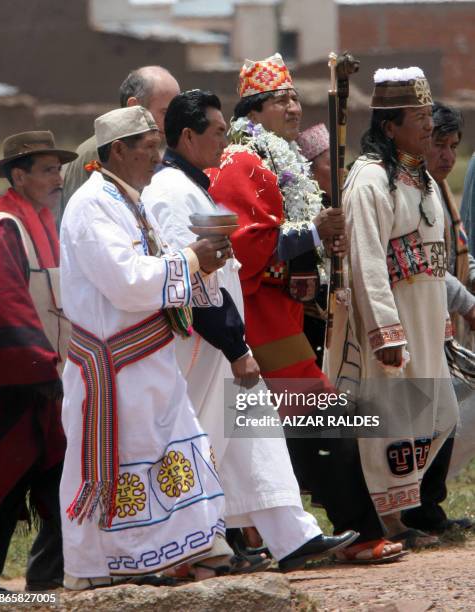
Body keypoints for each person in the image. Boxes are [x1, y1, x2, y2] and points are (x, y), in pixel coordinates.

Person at [143, 89, 358, 571]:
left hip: (220, 342)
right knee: (203, 444)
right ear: (188, 136)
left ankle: (293, 537)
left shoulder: (193, 187)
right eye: (218, 132)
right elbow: (191, 280)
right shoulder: (171, 193)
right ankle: (190, 546)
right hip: (200, 346)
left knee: (253, 441)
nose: (225, 141)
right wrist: (235, 344)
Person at [208, 54, 402, 563]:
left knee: (273, 434)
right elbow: (244, 246)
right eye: (280, 99)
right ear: (255, 109)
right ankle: (358, 532)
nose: (293, 106)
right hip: (258, 317)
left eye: (295, 96)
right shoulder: (242, 162)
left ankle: (260, 536)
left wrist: (321, 246)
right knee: (324, 418)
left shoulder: (282, 159)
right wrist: (312, 231)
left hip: (285, 314)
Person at [59, 106, 236, 589]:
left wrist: (200, 262)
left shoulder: (129, 198)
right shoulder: (91, 204)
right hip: (114, 367)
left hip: (147, 361)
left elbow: (155, 270)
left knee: (176, 449)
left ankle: (192, 547)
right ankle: (100, 569)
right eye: (149, 146)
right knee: (121, 465)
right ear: (118, 149)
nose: (158, 155)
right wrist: (189, 260)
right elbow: (126, 282)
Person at [327, 67, 459, 549]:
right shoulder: (370, 182)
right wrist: (386, 331)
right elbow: (366, 263)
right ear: (390, 126)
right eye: (419, 117)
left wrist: (441, 320)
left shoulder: (421, 179)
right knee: (393, 425)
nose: (428, 125)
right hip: (394, 327)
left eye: (428, 114)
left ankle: (408, 509)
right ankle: (392, 521)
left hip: (426, 323)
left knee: (439, 415)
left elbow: (432, 262)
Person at [0, 131, 75, 593]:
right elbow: (4, 307)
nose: (58, 178)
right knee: (5, 478)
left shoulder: (43, 223)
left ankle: (46, 576)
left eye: (58, 169)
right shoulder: (5, 228)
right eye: (47, 169)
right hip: (20, 383)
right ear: (18, 177)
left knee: (59, 478)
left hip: (49, 377)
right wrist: (42, 365)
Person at [401, 102, 473, 533]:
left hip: (439, 322)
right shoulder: (409, 190)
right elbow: (426, 264)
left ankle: (429, 507)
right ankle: (414, 509)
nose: (447, 156)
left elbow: (456, 256)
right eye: (439, 145)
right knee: (423, 416)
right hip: (412, 319)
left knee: (442, 414)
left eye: (454, 147)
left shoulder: (438, 188)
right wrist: (467, 302)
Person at [60, 66, 180, 210]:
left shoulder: (154, 152)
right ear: (134, 106)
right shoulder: (96, 153)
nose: (173, 122)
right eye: (165, 112)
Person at [297, 123, 332, 366]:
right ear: (309, 171)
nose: (340, 170)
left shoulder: (339, 203)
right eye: (331, 164)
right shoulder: (299, 213)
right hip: (310, 322)